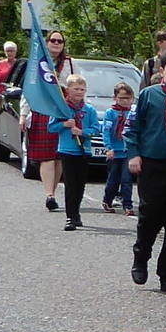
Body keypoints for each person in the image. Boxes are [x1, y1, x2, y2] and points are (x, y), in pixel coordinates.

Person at [124, 50, 166, 292]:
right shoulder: (147, 96)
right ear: (162, 71)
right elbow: (132, 127)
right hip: (152, 164)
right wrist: (133, 153)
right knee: (149, 217)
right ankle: (140, 259)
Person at [27, 29, 74, 211]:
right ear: (46, 43)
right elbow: (30, 89)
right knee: (46, 157)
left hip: (62, 109)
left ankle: (52, 193)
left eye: (59, 41)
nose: (56, 43)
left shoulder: (68, 64)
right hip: (42, 110)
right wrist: (24, 114)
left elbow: (75, 84)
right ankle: (49, 194)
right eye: (53, 40)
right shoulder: (37, 62)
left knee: (59, 157)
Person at [48, 75, 102, 230]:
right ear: (68, 90)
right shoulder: (62, 109)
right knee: (71, 184)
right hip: (67, 150)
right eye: (76, 89)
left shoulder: (89, 109)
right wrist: (64, 124)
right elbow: (51, 128)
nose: (79, 92)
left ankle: (76, 213)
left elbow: (96, 129)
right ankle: (70, 217)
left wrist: (83, 132)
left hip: (84, 150)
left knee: (80, 185)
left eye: (82, 89)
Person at [101, 83, 136, 214]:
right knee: (113, 180)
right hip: (115, 151)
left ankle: (128, 205)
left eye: (128, 98)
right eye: (122, 98)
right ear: (115, 98)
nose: (125, 101)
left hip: (128, 151)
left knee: (127, 180)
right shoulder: (111, 113)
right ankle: (107, 200)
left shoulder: (133, 112)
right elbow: (106, 131)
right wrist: (108, 147)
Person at [0, 40, 20, 104]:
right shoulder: (0, 63)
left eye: (12, 51)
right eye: (7, 51)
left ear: (15, 52)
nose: (9, 53)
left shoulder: (19, 64)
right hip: (2, 92)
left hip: (16, 94)